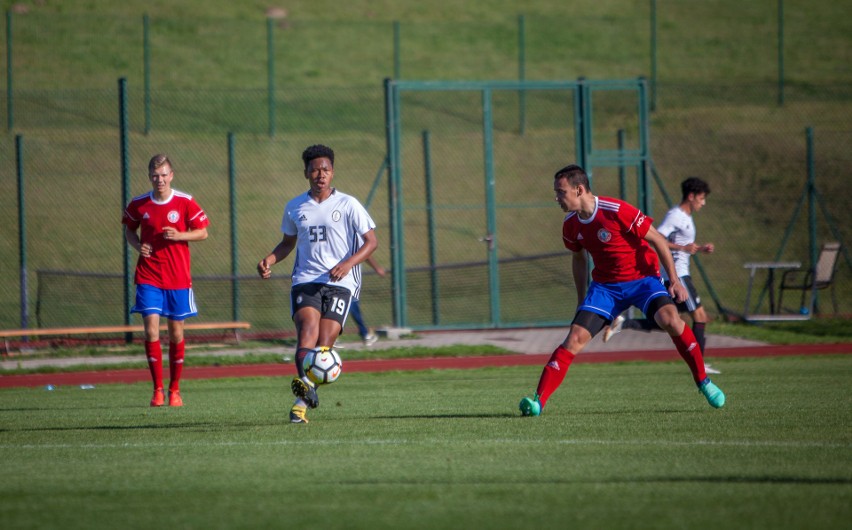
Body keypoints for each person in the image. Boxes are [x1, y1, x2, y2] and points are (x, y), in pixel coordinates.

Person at [518, 165, 725, 416]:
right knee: (573, 339)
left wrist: (674, 280)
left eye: (561, 192)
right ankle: (538, 401)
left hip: (643, 280)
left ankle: (703, 381)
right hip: (605, 288)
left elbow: (658, 239)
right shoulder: (571, 225)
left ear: (579, 189)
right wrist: (580, 298)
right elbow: (579, 258)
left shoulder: (616, 210)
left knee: (670, 320)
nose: (557, 198)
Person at [257, 144, 377, 424]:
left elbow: (372, 242)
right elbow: (288, 244)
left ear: (332, 173)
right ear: (306, 174)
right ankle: (303, 398)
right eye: (315, 170)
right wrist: (270, 260)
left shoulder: (348, 204)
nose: (320, 174)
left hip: (341, 282)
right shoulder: (295, 207)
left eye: (325, 169)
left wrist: (348, 263)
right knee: (306, 335)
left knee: (324, 347)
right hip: (306, 280)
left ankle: (302, 398)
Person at [602, 177, 719, 373]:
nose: (703, 202)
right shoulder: (675, 215)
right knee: (699, 316)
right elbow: (658, 238)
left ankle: (625, 323)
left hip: (682, 273)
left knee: (671, 320)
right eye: (701, 198)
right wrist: (683, 247)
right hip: (678, 276)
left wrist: (698, 249)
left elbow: (680, 245)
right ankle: (701, 365)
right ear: (691, 196)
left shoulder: (687, 217)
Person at [123, 154, 210, 408]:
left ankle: (175, 389)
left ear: (171, 175)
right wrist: (138, 245)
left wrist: (180, 235)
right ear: (149, 176)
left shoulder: (185, 202)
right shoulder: (140, 204)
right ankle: (157, 390)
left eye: (163, 175)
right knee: (150, 330)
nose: (159, 179)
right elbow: (129, 228)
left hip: (178, 277)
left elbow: (203, 232)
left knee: (175, 333)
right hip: (149, 275)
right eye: (154, 175)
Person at [347, 256, 386, 346]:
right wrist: (378, 268)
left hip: (345, 277)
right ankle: (365, 334)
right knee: (351, 305)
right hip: (348, 278)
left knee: (351, 305)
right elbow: (367, 252)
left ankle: (364, 333)